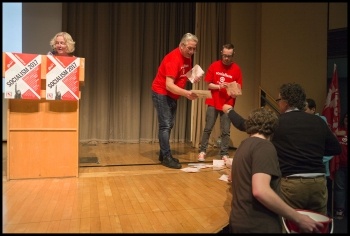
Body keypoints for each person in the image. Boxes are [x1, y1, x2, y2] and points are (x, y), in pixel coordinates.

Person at [223, 83, 341, 216]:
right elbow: (336, 148)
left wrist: (229, 111)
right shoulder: (319, 121)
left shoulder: (278, 122)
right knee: (317, 225)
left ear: (285, 102)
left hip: (291, 184)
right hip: (318, 183)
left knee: (290, 223)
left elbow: (246, 125)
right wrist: (313, 152)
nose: (278, 103)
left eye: (278, 100)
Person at [229, 107, 324, 233]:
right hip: (259, 225)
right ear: (273, 127)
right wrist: (298, 218)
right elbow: (260, 191)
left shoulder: (243, 145)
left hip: (239, 222)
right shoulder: (264, 146)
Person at [151, 33, 201, 169]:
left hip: (172, 95)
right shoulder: (173, 59)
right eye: (189, 48)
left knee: (169, 124)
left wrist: (193, 77)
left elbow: (183, 74)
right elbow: (169, 85)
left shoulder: (187, 57)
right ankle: (166, 157)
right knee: (165, 125)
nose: (192, 52)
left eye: (194, 49)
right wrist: (187, 93)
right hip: (162, 93)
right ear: (182, 45)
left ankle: (163, 154)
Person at [197, 43, 243, 162]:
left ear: (233, 55)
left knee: (226, 130)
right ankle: (202, 151)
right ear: (222, 53)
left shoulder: (236, 69)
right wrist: (219, 86)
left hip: (227, 103)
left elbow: (238, 89)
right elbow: (209, 84)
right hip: (213, 101)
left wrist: (232, 91)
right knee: (208, 128)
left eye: (229, 56)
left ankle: (224, 153)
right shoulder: (214, 65)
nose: (227, 58)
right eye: (225, 56)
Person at [304, 98, 334, 216]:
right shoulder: (304, 123)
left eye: (305, 109)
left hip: (319, 173)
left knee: (318, 211)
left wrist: (315, 158)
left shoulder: (321, 122)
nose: (302, 112)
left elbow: (332, 149)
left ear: (313, 110)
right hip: (306, 173)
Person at [331, 111, 348, 219]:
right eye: (346, 117)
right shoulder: (339, 131)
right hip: (340, 165)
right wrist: (336, 134)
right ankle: (340, 209)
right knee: (339, 188)